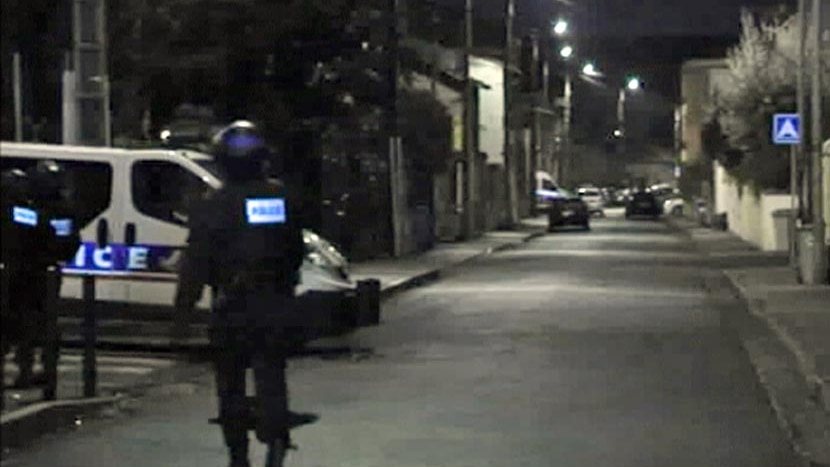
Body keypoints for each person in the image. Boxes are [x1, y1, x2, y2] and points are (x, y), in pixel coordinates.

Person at [174, 120, 306, 467]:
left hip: (231, 308)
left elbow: (194, 266)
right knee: (272, 374)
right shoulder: (282, 199)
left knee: (230, 383)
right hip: (274, 304)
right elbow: (295, 251)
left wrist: (183, 317)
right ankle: (276, 440)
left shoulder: (211, 205)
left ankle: (238, 454)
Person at [10, 161, 81, 388]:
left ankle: (26, 371)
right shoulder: (64, 211)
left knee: (26, 322)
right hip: (51, 270)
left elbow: (22, 233)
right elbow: (71, 243)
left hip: (28, 269)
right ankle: (46, 369)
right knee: (47, 322)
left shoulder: (27, 211)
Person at [0, 168, 55, 385]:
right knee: (26, 326)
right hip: (23, 276)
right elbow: (45, 231)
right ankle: (26, 372)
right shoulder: (24, 213)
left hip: (14, 274)